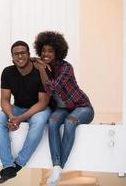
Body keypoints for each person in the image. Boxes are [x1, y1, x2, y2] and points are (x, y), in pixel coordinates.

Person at [32, 31, 94, 185]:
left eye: (50, 51)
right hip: (63, 108)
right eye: (44, 50)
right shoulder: (44, 67)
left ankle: (58, 167)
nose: (46, 54)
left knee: (70, 122)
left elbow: (52, 89)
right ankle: (57, 165)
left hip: (82, 107)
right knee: (52, 123)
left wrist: (40, 69)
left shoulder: (66, 68)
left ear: (58, 52)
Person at [0, 40, 51, 183]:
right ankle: (8, 166)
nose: (20, 56)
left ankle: (18, 163)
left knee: (39, 121)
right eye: (16, 54)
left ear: (28, 54)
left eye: (23, 53)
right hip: (18, 107)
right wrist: (12, 116)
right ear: (12, 57)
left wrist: (20, 118)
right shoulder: (7, 72)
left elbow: (43, 102)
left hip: (39, 108)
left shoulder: (41, 71)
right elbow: (5, 100)